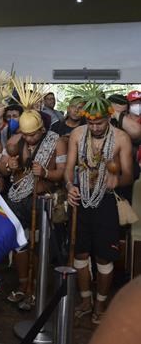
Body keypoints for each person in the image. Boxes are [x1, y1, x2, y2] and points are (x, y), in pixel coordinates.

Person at [0, 77, 67, 311]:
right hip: (17, 200)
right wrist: (9, 167)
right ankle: (23, 285)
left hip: (41, 202)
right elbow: (2, 167)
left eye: (33, 135)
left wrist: (46, 172)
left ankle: (35, 289)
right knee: (20, 244)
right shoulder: (15, 141)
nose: (29, 139)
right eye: (25, 134)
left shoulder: (57, 142)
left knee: (38, 245)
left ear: (42, 129)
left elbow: (62, 173)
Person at [65, 84, 133, 325]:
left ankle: (101, 304)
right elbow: (69, 168)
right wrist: (69, 186)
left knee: (104, 257)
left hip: (106, 202)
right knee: (80, 253)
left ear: (109, 118)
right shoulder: (77, 134)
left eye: (100, 123)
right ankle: (85, 300)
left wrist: (117, 180)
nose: (94, 128)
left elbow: (129, 175)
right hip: (81, 199)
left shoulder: (121, 138)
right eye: (91, 123)